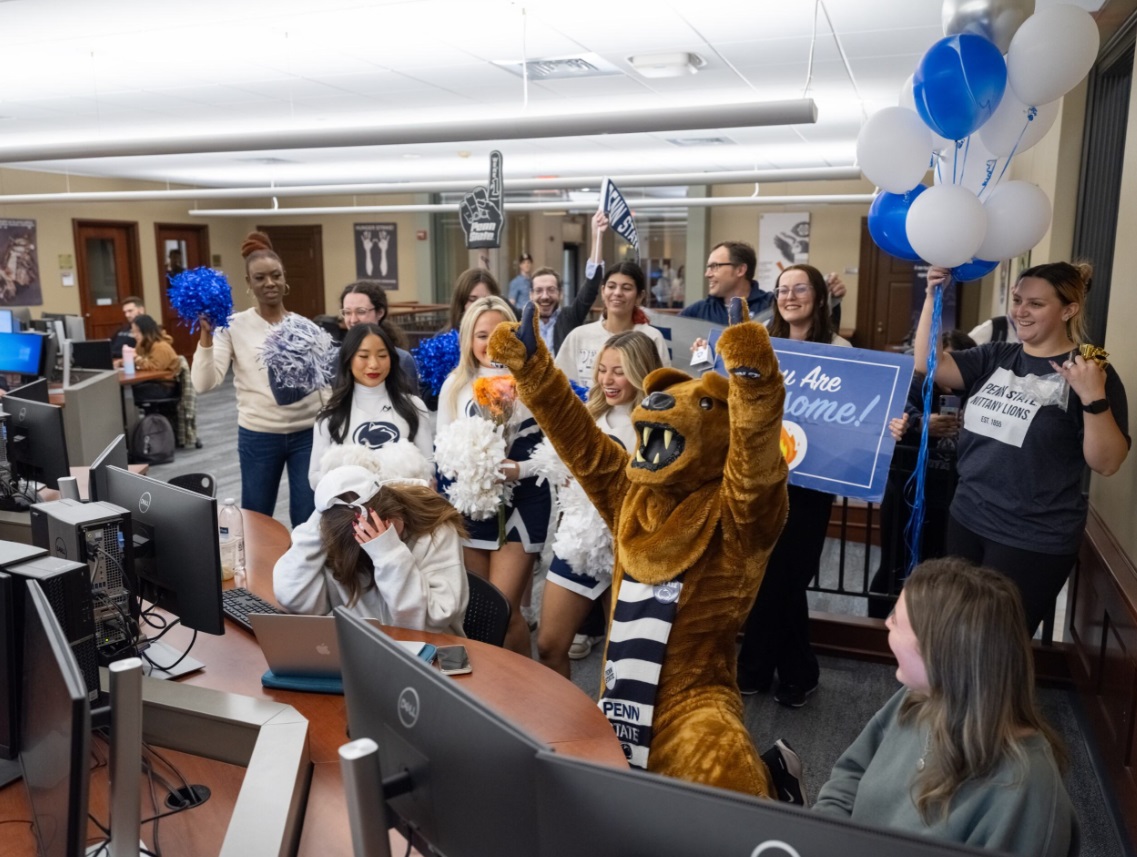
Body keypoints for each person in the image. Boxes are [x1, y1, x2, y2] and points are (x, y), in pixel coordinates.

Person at [913, 262, 1130, 634]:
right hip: (968, 516)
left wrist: (1093, 398)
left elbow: (1107, 463)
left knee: (996, 646)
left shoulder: (1090, 372)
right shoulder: (997, 355)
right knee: (954, 634)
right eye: (1017, 300)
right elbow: (929, 365)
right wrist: (933, 297)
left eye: (1035, 304)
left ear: (1068, 309)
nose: (1020, 311)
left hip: (1032, 536)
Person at [814, 558, 1075, 857]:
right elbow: (850, 774)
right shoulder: (918, 697)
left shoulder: (1029, 796)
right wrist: (825, 838)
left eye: (896, 621)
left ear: (939, 654)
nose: (886, 623)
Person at [736, 264, 852, 707]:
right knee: (766, 573)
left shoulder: (840, 348)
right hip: (760, 477)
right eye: (783, 289)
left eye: (800, 289)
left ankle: (756, 666)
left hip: (811, 483)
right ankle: (797, 672)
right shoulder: (760, 341)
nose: (790, 296)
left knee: (789, 573)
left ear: (819, 297)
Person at [536, 331, 663, 678]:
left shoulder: (658, 425)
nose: (607, 379)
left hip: (629, 547)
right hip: (580, 540)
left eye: (618, 371)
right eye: (602, 369)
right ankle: (562, 729)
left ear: (640, 371)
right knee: (549, 645)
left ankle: (612, 728)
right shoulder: (587, 414)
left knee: (622, 661)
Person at [437, 295, 550, 654]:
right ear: (469, 339)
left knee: (505, 607)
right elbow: (440, 452)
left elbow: (558, 453)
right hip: (472, 505)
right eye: (482, 334)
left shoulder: (535, 382)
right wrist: (467, 465)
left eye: (501, 333)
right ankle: (489, 690)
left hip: (524, 501)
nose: (490, 344)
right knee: (479, 608)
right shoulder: (454, 385)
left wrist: (519, 469)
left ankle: (523, 693)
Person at [192, 231, 321, 527]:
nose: (270, 283)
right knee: (257, 515)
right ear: (249, 283)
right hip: (259, 435)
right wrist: (206, 335)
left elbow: (321, 385)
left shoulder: (304, 326)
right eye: (260, 278)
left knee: (307, 517)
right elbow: (204, 383)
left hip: (307, 434)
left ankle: (303, 573)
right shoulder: (231, 327)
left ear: (285, 278)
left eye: (275, 275)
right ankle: (257, 572)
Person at [274, 464, 468, 633]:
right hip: (361, 651)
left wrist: (388, 552)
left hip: (431, 653)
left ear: (395, 507)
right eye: (364, 535)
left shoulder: (437, 531)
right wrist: (320, 518)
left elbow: (427, 625)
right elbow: (292, 598)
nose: (379, 534)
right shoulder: (336, 538)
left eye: (387, 526)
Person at [868, 330, 975, 619]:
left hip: (954, 498)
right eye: (941, 360)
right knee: (893, 566)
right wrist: (920, 422)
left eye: (954, 362)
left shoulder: (977, 390)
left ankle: (930, 633)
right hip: (907, 490)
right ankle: (877, 626)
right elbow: (895, 408)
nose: (947, 369)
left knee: (945, 570)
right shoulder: (916, 384)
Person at [309, 323, 432, 489]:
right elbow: (315, 476)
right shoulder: (330, 414)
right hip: (351, 510)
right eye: (363, 356)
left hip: (404, 508)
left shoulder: (414, 406)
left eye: (382, 355)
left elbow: (429, 465)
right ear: (348, 358)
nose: (374, 364)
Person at [554, 260, 670, 388]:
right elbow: (560, 385)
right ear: (603, 291)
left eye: (626, 288)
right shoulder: (578, 336)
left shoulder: (651, 337)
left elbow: (663, 391)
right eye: (611, 286)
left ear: (640, 296)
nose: (617, 293)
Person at [531, 212, 609, 353]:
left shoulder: (569, 317)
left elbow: (591, 287)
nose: (545, 296)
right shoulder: (520, 322)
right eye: (539, 290)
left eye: (551, 289)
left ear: (561, 294)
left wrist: (597, 236)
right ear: (531, 295)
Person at [338, 279, 419, 393]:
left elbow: (410, 406)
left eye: (361, 311)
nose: (353, 320)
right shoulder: (335, 359)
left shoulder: (402, 360)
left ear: (380, 312)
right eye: (347, 312)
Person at [680, 242, 775, 323]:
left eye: (714, 266)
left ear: (740, 270)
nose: (707, 274)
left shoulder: (773, 306)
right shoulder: (697, 311)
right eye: (708, 267)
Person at [128, 313, 181, 405]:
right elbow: (141, 359)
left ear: (146, 331)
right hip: (153, 382)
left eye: (138, 332)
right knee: (127, 389)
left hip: (164, 386)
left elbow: (155, 368)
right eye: (133, 332)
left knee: (129, 394)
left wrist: (136, 358)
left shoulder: (161, 347)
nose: (135, 335)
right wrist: (123, 361)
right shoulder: (142, 345)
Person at [444, 268, 502, 333]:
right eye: (472, 300)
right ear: (461, 304)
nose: (480, 306)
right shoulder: (443, 341)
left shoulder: (508, 337)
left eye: (486, 300)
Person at [111, 295, 144, 363]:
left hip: (131, 362)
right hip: (114, 361)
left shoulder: (148, 328)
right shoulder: (122, 329)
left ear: (141, 310)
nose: (127, 315)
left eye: (130, 311)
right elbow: (109, 346)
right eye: (125, 312)